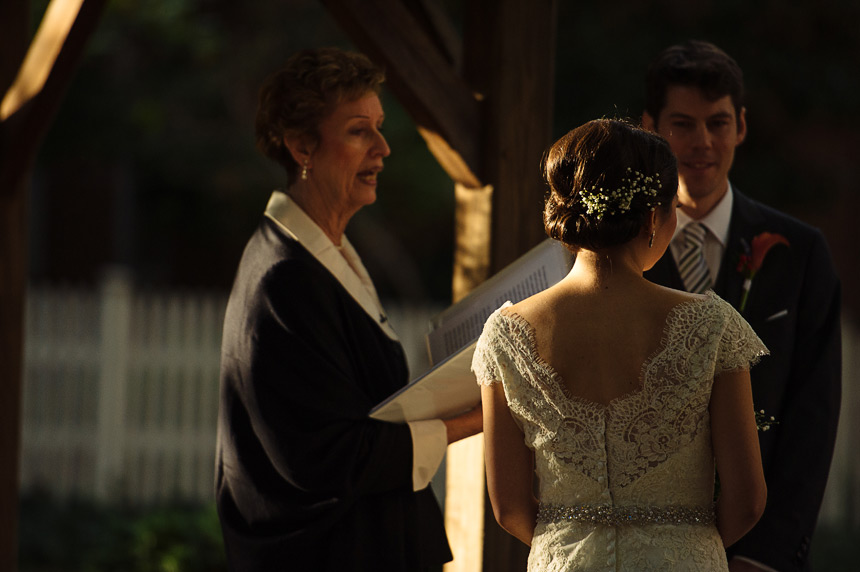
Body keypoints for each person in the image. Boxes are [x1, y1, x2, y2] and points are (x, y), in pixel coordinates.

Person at [214, 47, 482, 571]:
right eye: (360, 131)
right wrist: (473, 417)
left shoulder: (325, 253)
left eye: (380, 127)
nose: (383, 148)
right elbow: (327, 457)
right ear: (301, 146)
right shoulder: (284, 279)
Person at [473, 118, 767, 571]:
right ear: (654, 216)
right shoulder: (712, 325)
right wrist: (684, 542)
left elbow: (508, 507)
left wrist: (575, 540)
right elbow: (747, 500)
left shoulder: (505, 333)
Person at [641, 40, 842, 572]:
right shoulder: (617, 255)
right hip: (648, 545)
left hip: (762, 555)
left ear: (742, 126)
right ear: (650, 127)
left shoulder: (801, 253)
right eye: (682, 123)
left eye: (718, 123)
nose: (702, 142)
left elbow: (813, 418)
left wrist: (765, 555)